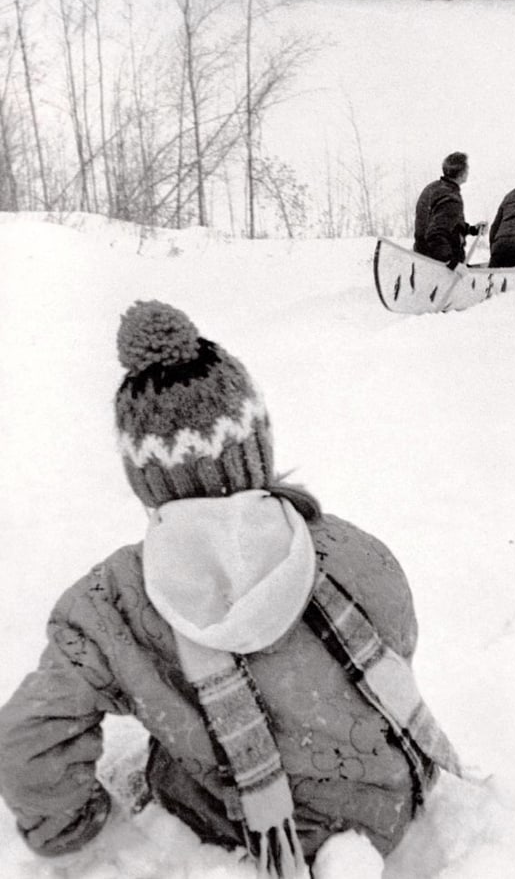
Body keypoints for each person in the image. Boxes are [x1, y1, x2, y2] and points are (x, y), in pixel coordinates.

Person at [0, 300, 468, 877]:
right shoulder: (350, 550)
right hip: (389, 803)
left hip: (258, 833)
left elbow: (28, 737)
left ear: (142, 476)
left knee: (168, 761)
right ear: (257, 441)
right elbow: (399, 640)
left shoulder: (114, 601)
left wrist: (73, 825)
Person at [413, 151, 487, 268]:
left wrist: (471, 230)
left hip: (422, 260)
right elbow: (436, 234)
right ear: (462, 173)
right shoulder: (451, 198)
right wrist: (451, 263)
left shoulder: (432, 188)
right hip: (440, 268)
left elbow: (445, 222)